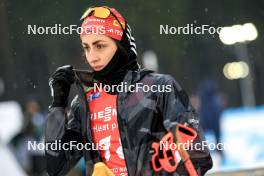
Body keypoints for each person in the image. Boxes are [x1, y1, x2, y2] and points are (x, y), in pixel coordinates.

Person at [45, 6, 213, 176]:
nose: (92, 57)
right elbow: (56, 167)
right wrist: (58, 103)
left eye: (100, 46)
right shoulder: (84, 103)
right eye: (87, 47)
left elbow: (198, 157)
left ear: (121, 46)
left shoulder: (159, 87)